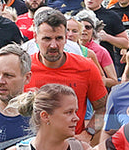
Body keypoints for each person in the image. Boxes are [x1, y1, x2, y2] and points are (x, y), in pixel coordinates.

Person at [27, 8, 109, 140]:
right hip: (32, 146)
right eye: (47, 39)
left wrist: (89, 133)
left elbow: (104, 108)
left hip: (72, 147)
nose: (53, 45)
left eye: (59, 38)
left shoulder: (86, 67)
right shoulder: (24, 68)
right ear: (35, 38)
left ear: (66, 38)